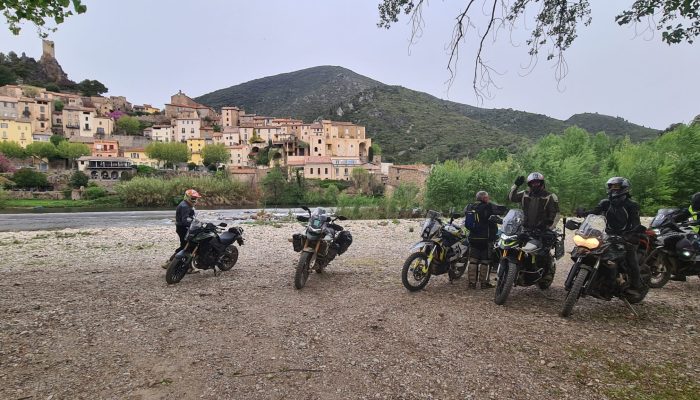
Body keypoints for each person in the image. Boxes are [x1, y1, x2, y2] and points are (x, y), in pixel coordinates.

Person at [576, 177, 644, 294]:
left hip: (625, 237)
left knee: (631, 259)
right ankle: (598, 278)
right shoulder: (606, 203)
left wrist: (634, 233)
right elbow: (594, 212)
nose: (614, 189)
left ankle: (636, 286)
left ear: (624, 188)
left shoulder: (631, 205)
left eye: (616, 187)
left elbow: (636, 222)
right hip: (607, 235)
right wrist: (583, 213)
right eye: (611, 187)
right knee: (591, 252)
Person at [508, 172, 560, 286]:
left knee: (542, 254)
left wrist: (549, 227)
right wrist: (515, 186)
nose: (535, 185)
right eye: (533, 183)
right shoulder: (525, 194)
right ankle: (515, 271)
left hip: (541, 230)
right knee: (515, 246)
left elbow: (556, 214)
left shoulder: (550, 196)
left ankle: (546, 274)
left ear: (542, 183)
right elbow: (511, 198)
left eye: (537, 182)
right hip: (525, 228)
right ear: (529, 184)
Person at [464, 191, 508, 289]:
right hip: (486, 239)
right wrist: (506, 209)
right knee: (485, 261)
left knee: (473, 261)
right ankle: (484, 283)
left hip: (473, 238)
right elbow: (500, 211)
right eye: (487, 197)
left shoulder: (470, 206)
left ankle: (472, 283)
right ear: (484, 198)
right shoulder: (488, 206)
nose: (488, 199)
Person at [163, 189, 201, 270]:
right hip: (183, 229)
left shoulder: (186, 205)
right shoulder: (185, 206)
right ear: (187, 197)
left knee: (184, 246)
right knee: (187, 247)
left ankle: (170, 263)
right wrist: (194, 224)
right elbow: (185, 220)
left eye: (196, 198)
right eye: (193, 198)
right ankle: (183, 266)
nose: (195, 200)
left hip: (182, 228)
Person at [668, 192, 700, 281]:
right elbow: (681, 215)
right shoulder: (690, 209)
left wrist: (696, 222)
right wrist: (671, 218)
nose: (695, 201)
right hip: (689, 233)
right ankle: (680, 273)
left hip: (697, 234)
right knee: (678, 247)